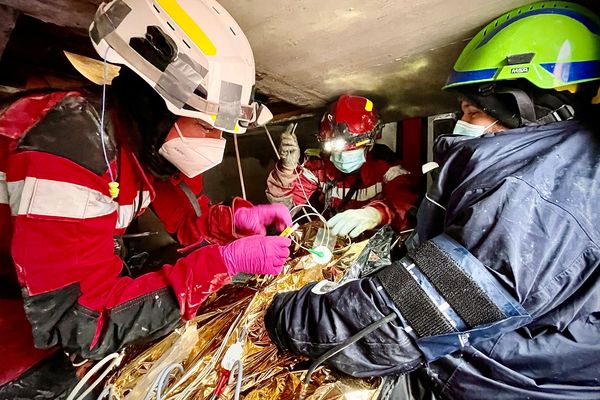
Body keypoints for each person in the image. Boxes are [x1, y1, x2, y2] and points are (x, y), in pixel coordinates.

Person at [264, 2, 600, 399]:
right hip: (478, 368)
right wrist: (288, 170)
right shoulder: (560, 169)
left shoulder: (538, 197)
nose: (460, 126)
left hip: (486, 381)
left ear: (521, 106)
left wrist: (283, 312)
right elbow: (288, 198)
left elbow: (405, 317)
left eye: (471, 112)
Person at [0, 0, 291, 396]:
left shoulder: (145, 146)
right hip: (15, 333)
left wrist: (234, 223)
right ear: (157, 104)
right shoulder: (73, 147)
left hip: (56, 308)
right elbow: (81, 323)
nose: (216, 141)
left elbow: (188, 220)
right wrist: (222, 262)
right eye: (208, 124)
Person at [266, 94, 418, 238]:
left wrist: (374, 215)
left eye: (350, 148)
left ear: (369, 143)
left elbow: (405, 205)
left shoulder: (387, 167)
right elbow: (284, 211)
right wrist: (287, 169)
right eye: (335, 148)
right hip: (331, 245)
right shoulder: (321, 167)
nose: (341, 155)